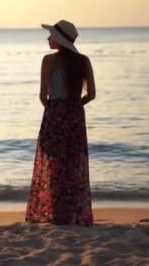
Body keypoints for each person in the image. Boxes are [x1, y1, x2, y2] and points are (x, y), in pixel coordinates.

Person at [25, 19, 96, 226]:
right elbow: (91, 95)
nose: (48, 39)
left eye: (51, 36)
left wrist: (55, 110)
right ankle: (73, 214)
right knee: (73, 164)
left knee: (54, 162)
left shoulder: (48, 61)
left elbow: (42, 97)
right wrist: (75, 105)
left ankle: (56, 213)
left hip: (55, 113)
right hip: (75, 115)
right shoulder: (84, 61)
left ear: (58, 40)